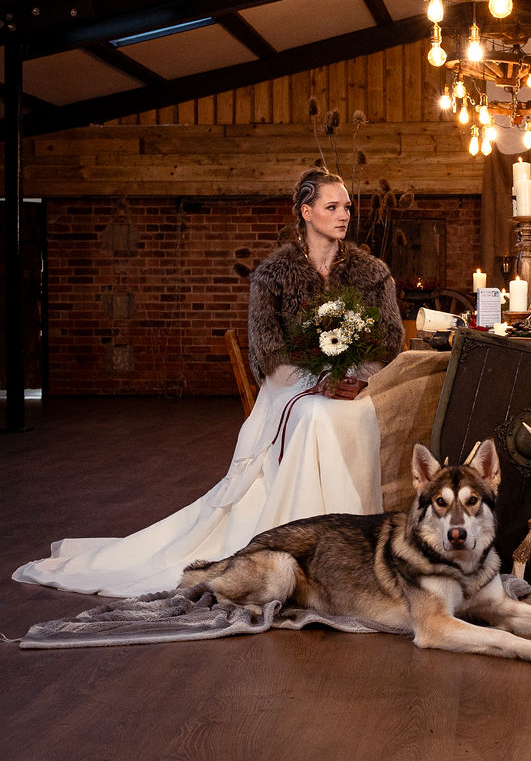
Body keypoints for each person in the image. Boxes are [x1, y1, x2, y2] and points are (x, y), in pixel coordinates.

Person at [12, 168, 405, 599]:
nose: (344, 214)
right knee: (314, 415)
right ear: (306, 212)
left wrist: (356, 378)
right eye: (332, 206)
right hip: (291, 389)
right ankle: (311, 548)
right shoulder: (274, 275)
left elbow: (389, 343)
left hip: (353, 389)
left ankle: (354, 541)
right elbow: (267, 356)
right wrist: (317, 381)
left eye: (346, 206)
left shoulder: (372, 274)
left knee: (346, 416)